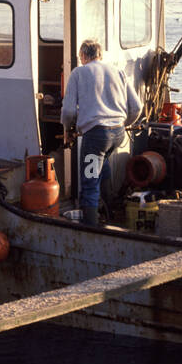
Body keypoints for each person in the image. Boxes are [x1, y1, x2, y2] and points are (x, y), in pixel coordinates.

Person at [61, 39, 142, 226]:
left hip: (96, 137)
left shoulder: (78, 73)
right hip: (118, 134)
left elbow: (68, 112)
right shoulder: (118, 71)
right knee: (102, 167)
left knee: (89, 181)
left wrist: (68, 129)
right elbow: (136, 107)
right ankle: (109, 213)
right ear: (100, 55)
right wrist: (122, 123)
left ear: (82, 55)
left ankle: (91, 228)